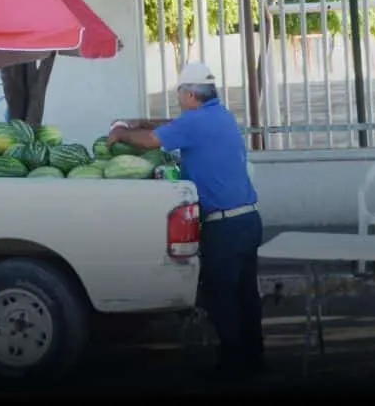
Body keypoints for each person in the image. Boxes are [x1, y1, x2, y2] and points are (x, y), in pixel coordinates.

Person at [106, 62, 264, 379]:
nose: (178, 99)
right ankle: (255, 359)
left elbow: (151, 141)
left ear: (191, 93)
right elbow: (173, 126)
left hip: (224, 226)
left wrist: (121, 133)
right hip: (249, 220)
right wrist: (141, 121)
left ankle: (234, 367)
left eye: (179, 94)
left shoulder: (195, 124)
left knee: (222, 297)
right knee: (246, 294)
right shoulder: (220, 116)